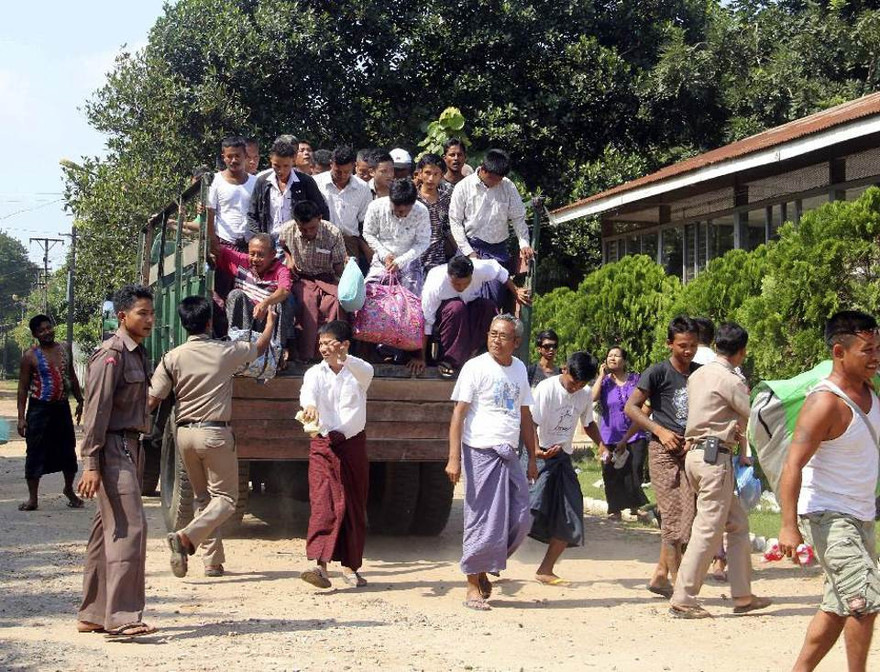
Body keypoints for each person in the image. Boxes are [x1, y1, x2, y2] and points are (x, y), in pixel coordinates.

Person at [778, 311, 880, 672]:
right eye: (867, 350)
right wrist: (788, 525)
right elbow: (792, 465)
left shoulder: (871, 391)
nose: (876, 357)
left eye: (878, 348)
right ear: (839, 352)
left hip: (861, 515)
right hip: (828, 515)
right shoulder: (824, 402)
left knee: (838, 608)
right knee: (864, 600)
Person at [148, 296, 275, 578]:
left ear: (184, 324)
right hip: (215, 434)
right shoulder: (225, 352)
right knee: (226, 499)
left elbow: (153, 399)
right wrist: (270, 323)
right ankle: (186, 537)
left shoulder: (172, 357)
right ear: (209, 323)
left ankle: (212, 562)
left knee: (204, 498)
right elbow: (260, 347)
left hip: (184, 435)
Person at [669, 323, 771, 618]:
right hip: (715, 458)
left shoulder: (698, 374)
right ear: (742, 352)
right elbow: (753, 415)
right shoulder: (731, 379)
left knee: (736, 524)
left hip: (696, 456)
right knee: (708, 529)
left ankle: (743, 595)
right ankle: (683, 598)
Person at [76, 284, 155, 638]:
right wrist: (90, 463)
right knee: (129, 528)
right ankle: (123, 617)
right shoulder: (111, 354)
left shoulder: (137, 352)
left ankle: (93, 614)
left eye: (151, 313)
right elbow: (95, 412)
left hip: (130, 446)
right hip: (113, 447)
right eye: (142, 313)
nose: (149, 320)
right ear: (122, 316)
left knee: (104, 530)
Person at [446, 314, 539, 611]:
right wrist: (454, 458)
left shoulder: (519, 368)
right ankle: (472, 585)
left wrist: (532, 456)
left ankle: (486, 563)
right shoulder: (475, 367)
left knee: (521, 518)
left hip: (509, 452)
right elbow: (458, 414)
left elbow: (525, 415)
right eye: (492, 334)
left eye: (503, 336)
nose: (496, 340)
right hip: (480, 451)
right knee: (481, 519)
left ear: (516, 342)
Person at [624, 316, 700, 598]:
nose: (688, 351)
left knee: (689, 518)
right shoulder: (657, 372)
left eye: (693, 345)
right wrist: (660, 431)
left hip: (691, 451)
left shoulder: (700, 374)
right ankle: (680, 588)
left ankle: (660, 575)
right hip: (662, 452)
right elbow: (632, 408)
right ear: (670, 344)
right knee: (672, 518)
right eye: (682, 345)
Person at [299, 320, 374, 589]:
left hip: (352, 446)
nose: (323, 348)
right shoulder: (315, 373)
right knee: (323, 503)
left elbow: (365, 370)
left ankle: (351, 567)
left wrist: (345, 357)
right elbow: (308, 393)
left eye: (328, 343)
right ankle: (319, 566)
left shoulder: (360, 371)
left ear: (344, 344)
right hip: (323, 445)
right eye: (320, 343)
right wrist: (309, 406)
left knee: (352, 505)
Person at [529, 352, 603, 585]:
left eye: (581, 384)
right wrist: (535, 453)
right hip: (538, 456)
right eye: (573, 382)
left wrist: (602, 445)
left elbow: (588, 423)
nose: (575, 388)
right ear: (564, 369)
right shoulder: (546, 389)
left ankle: (546, 569)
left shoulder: (585, 393)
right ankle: (490, 562)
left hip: (562, 459)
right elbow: (531, 423)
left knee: (571, 512)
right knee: (527, 511)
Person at [414, 256, 530, 377]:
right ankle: (449, 360)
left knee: (488, 306)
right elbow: (426, 323)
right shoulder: (435, 284)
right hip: (445, 317)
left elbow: (501, 273)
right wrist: (421, 358)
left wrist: (516, 291)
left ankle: (481, 355)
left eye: (466, 283)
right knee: (456, 308)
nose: (461, 287)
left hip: (469, 306)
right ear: (449, 276)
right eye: (457, 284)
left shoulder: (481, 268)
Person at [16, 315, 84, 511]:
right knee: (35, 452)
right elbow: (22, 388)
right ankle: (33, 499)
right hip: (39, 410)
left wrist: (80, 400)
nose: (47, 332)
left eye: (48, 328)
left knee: (68, 450)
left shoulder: (64, 349)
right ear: (35, 335)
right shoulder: (30, 356)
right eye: (41, 330)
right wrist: (21, 418)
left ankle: (69, 490)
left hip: (61, 407)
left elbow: (72, 376)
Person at [448, 148, 533, 304]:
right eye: (492, 178)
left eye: (499, 179)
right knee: (462, 296)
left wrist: (524, 243)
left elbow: (518, 217)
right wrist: (469, 252)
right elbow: (455, 221)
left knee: (493, 299)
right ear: (483, 169)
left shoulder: (508, 186)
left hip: (497, 250)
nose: (495, 183)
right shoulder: (463, 187)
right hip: (469, 246)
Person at [209, 218, 294, 365]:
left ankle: (276, 353)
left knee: (282, 303)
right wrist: (208, 215)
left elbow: (284, 290)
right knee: (235, 295)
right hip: (244, 319)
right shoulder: (240, 260)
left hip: (265, 322)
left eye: (260, 255)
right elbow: (214, 247)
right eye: (252, 254)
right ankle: (237, 348)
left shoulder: (281, 270)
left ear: (273, 254)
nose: (255, 259)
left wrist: (265, 303)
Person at [278, 200, 347, 362]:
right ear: (296, 223)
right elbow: (283, 247)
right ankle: (307, 354)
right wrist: (289, 259)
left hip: (328, 277)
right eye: (303, 229)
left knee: (336, 303)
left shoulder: (333, 233)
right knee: (307, 303)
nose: (309, 232)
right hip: (301, 278)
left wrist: (344, 284)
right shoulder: (287, 230)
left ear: (320, 219)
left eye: (313, 228)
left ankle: (331, 353)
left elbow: (339, 265)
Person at [592, 346, 649, 520]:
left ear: (624, 360)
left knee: (635, 469)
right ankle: (615, 510)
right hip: (609, 435)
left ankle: (635, 507)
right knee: (611, 473)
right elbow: (592, 398)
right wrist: (601, 376)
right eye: (609, 356)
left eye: (617, 356)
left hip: (635, 434)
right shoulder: (604, 382)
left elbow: (645, 403)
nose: (612, 358)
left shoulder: (635, 379)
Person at [247, 136, 329, 242]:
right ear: (270, 159)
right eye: (276, 166)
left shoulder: (305, 182)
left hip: (298, 243)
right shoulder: (262, 182)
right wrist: (259, 239)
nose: (281, 171)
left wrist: (313, 237)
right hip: (268, 243)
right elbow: (252, 214)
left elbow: (321, 212)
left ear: (293, 161)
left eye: (286, 166)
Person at [362, 178, 431, 295]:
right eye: (397, 211)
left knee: (411, 298)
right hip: (382, 260)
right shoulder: (375, 207)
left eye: (405, 211)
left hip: (410, 261)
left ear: (413, 204)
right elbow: (368, 233)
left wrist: (401, 261)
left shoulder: (421, 211)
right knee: (369, 293)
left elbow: (423, 242)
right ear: (390, 200)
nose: (400, 214)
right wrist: (384, 254)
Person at [314, 145, 373, 265]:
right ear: (331, 164)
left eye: (347, 172)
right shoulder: (316, 183)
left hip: (350, 243)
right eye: (338, 172)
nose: (342, 176)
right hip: (320, 239)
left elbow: (364, 223)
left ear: (354, 166)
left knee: (349, 276)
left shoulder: (363, 188)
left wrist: (365, 246)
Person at [207, 136, 258, 250]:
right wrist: (213, 242)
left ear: (245, 155)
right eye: (229, 156)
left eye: (237, 156)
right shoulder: (215, 181)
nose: (234, 160)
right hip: (223, 243)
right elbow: (210, 212)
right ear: (223, 157)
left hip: (250, 245)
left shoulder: (256, 182)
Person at [416, 153, 453, 273]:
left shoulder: (446, 198)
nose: (431, 178)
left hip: (438, 262)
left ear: (442, 176)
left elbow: (449, 229)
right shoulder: (412, 198)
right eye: (427, 173)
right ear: (420, 173)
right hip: (414, 260)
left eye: (436, 174)